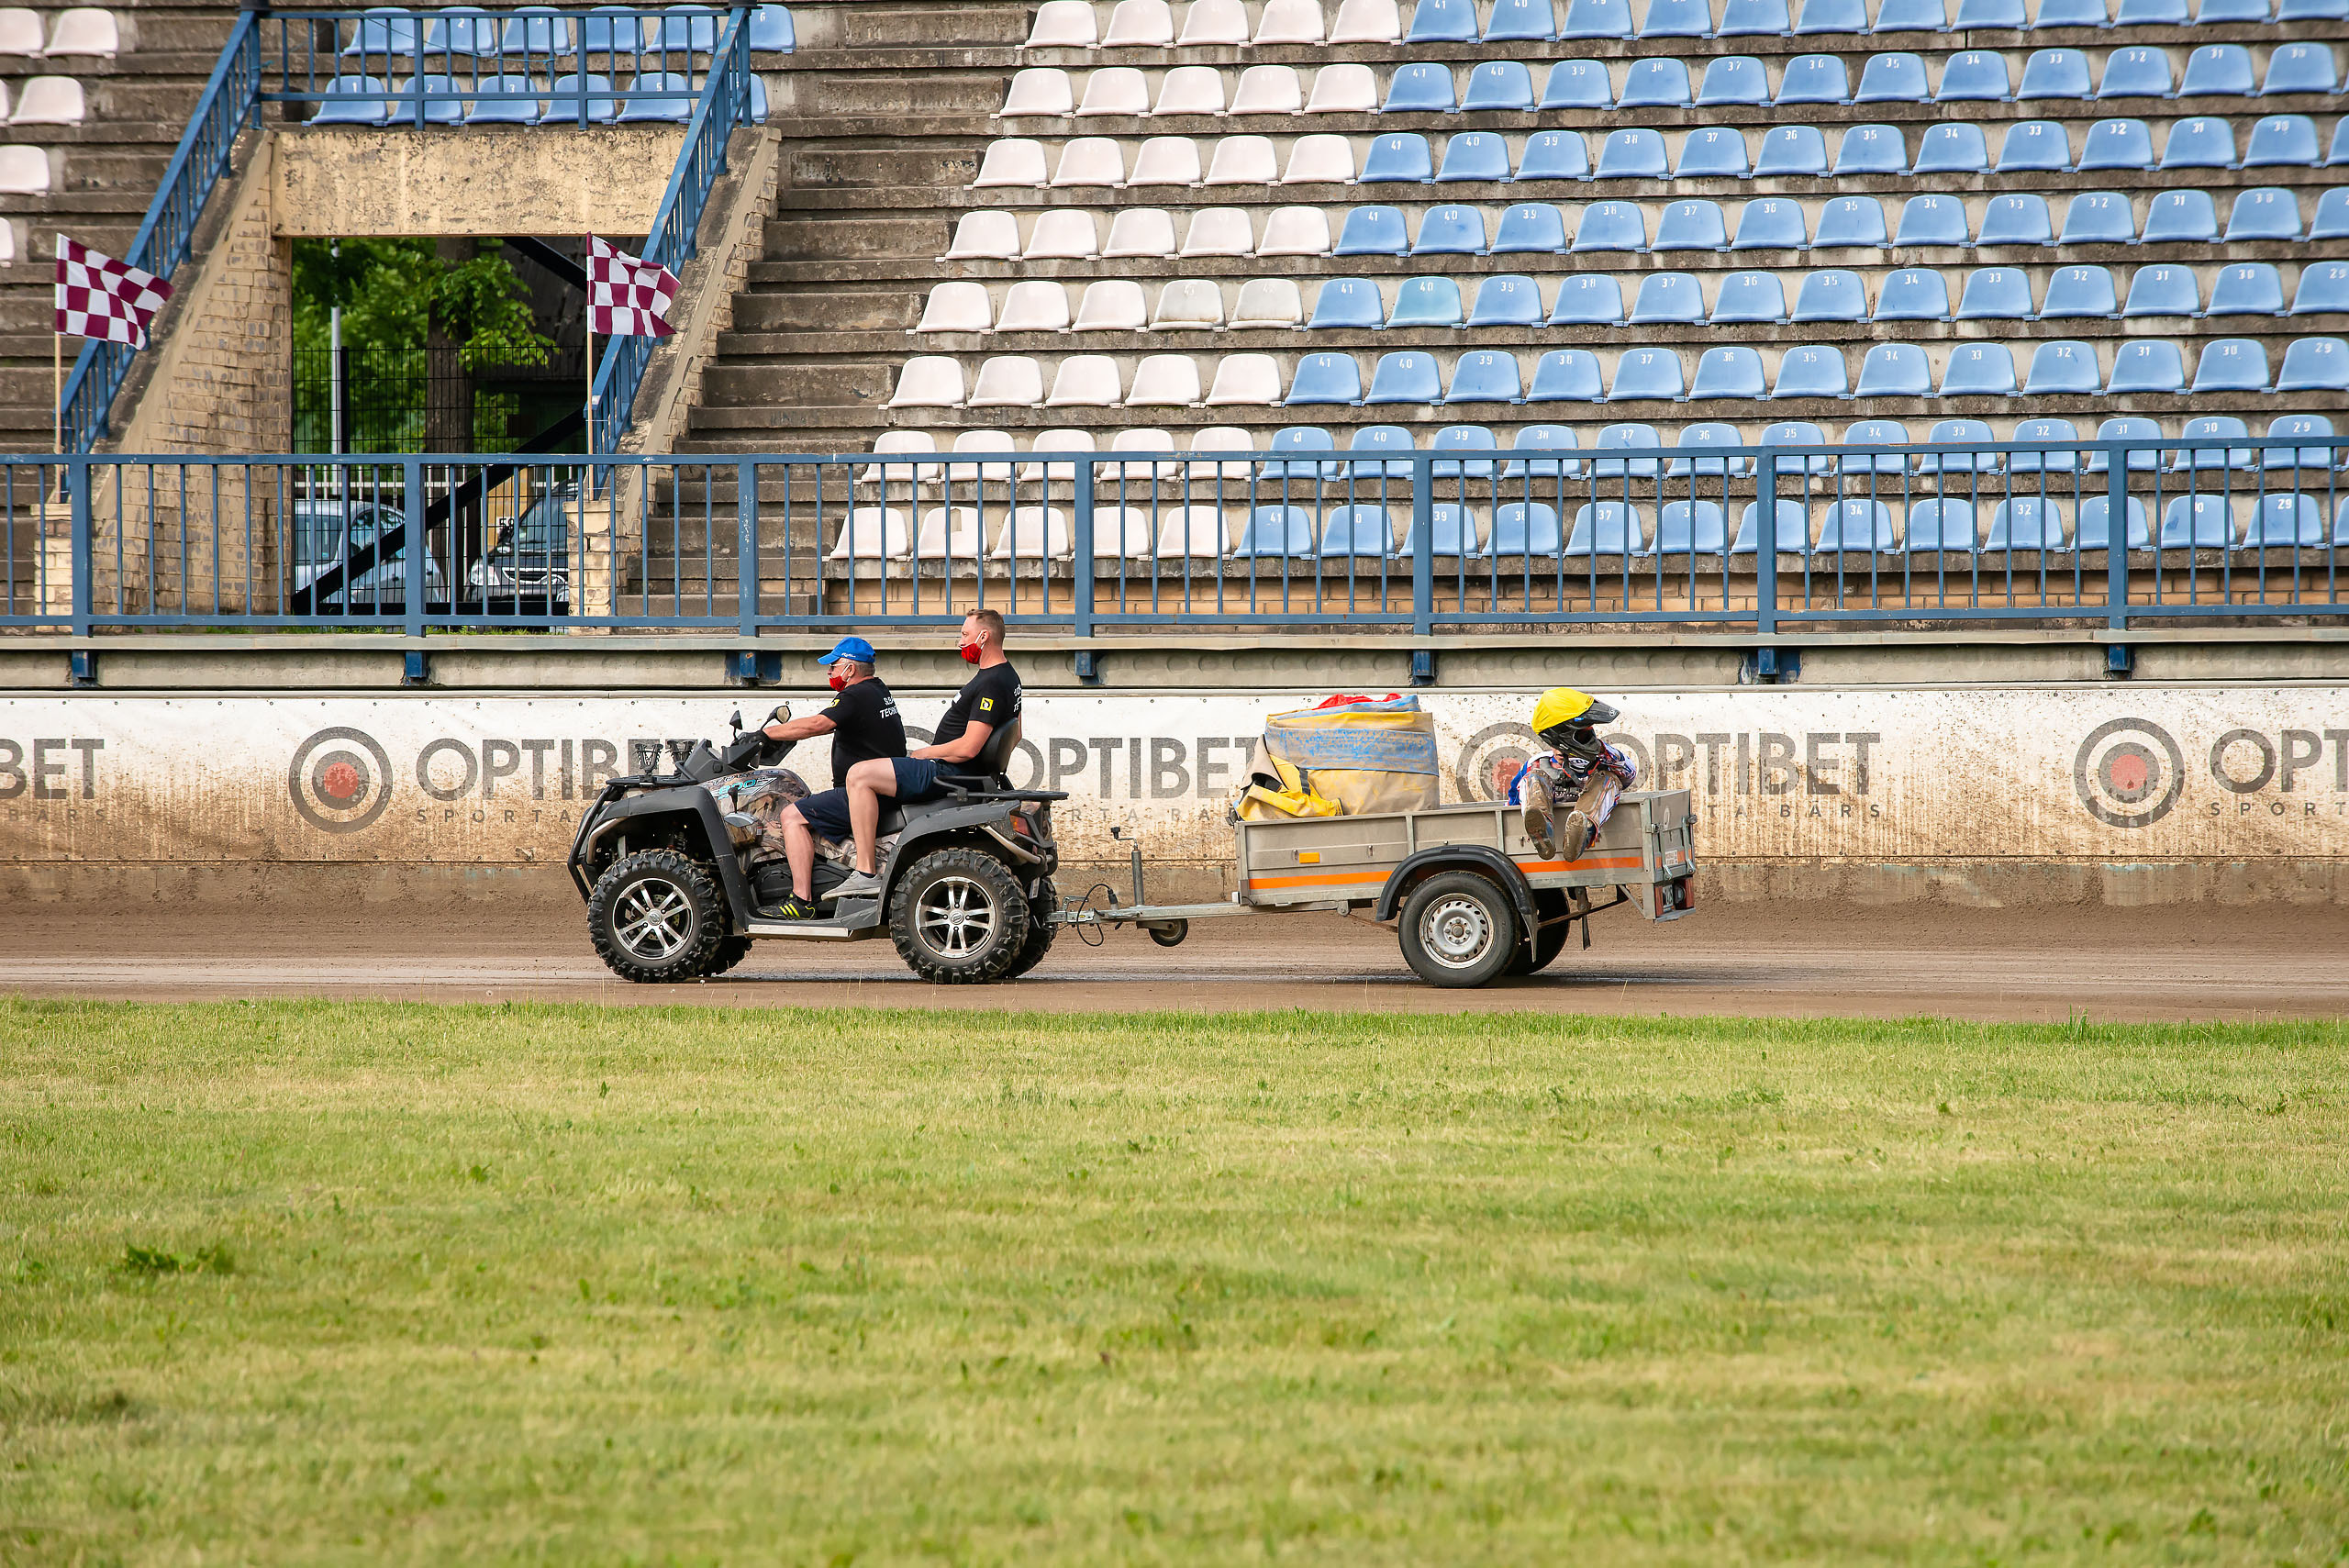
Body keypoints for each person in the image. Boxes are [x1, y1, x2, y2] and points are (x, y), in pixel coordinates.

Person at [829, 608, 1021, 903]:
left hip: (950, 772)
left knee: (859, 774)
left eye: (965, 635)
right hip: (962, 770)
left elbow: (969, 747)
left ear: (984, 637)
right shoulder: (1009, 677)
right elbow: (1016, 734)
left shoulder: (991, 683)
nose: (961, 642)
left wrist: (925, 753)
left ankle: (866, 872)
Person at [760, 636, 906, 918]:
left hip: (862, 795)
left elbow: (818, 724)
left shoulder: (855, 695)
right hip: (881, 790)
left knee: (791, 816)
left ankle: (801, 901)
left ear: (850, 669)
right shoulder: (878, 690)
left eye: (833, 666)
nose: (829, 672)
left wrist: (764, 734)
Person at [1511, 687, 1638, 864]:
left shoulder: (1601, 760)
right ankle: (1541, 829)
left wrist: (1601, 751)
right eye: (1555, 745)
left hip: (1587, 817)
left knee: (1608, 779)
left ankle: (1583, 830)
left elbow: (1630, 774)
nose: (1559, 752)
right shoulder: (1537, 763)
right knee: (1533, 776)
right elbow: (1512, 801)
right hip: (1547, 818)